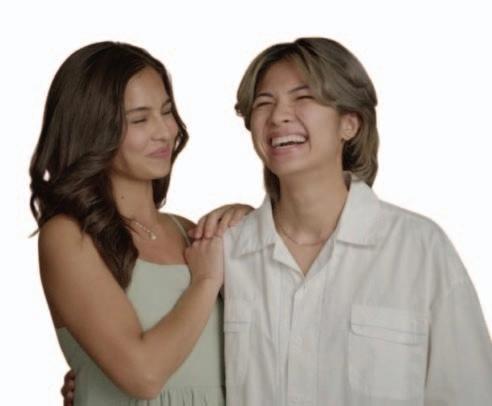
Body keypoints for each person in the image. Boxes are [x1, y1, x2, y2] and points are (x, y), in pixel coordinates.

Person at [220, 37, 492, 405]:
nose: (279, 115)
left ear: (349, 124)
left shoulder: (419, 249)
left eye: (303, 97)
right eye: (264, 103)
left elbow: (469, 394)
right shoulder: (227, 252)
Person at [31, 41, 251, 405]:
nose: (165, 131)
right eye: (139, 119)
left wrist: (251, 222)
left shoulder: (190, 231)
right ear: (92, 130)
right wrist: (205, 281)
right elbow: (143, 376)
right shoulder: (69, 236)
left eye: (166, 111)